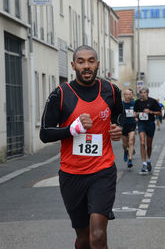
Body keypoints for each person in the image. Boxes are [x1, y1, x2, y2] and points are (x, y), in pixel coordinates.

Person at [40, 45, 124, 249]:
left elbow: (120, 117)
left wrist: (118, 128)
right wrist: (73, 129)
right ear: (73, 65)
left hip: (102, 171)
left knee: (97, 235)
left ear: (98, 64)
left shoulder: (111, 91)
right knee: (85, 239)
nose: (86, 66)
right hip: (72, 175)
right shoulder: (60, 94)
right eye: (81, 61)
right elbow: (45, 134)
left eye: (91, 61)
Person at [134, 87, 161, 173]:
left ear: (147, 93)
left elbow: (160, 113)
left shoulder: (152, 101)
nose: (143, 94)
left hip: (150, 124)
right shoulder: (137, 102)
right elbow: (134, 113)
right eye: (141, 93)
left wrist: (150, 112)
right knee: (142, 142)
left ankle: (148, 160)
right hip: (141, 124)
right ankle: (144, 163)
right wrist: (136, 114)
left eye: (144, 92)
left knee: (149, 145)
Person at [122, 89, 136, 169]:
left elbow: (138, 112)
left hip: (132, 125)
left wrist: (136, 115)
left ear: (132, 95)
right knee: (125, 144)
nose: (128, 96)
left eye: (129, 94)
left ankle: (130, 159)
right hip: (123, 125)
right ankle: (125, 151)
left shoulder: (134, 103)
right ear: (124, 95)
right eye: (126, 94)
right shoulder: (121, 104)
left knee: (131, 142)